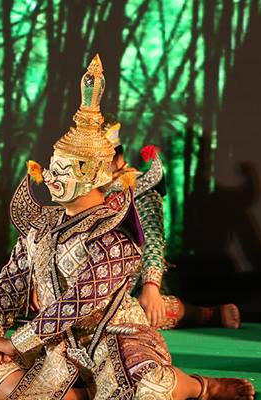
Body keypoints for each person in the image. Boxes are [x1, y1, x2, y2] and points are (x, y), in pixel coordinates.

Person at [0, 55, 254, 400]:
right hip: (55, 342)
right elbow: (10, 283)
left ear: (94, 176)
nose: (51, 177)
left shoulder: (114, 232)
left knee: (153, 394)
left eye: (64, 170)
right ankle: (82, 394)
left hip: (113, 339)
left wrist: (16, 343)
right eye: (53, 167)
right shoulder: (42, 224)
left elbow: (79, 302)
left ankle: (200, 385)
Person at [102, 121, 241, 329]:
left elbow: (153, 239)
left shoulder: (141, 188)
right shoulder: (89, 191)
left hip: (134, 283)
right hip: (94, 280)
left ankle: (206, 314)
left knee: (131, 314)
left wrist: (151, 287)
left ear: (110, 156)